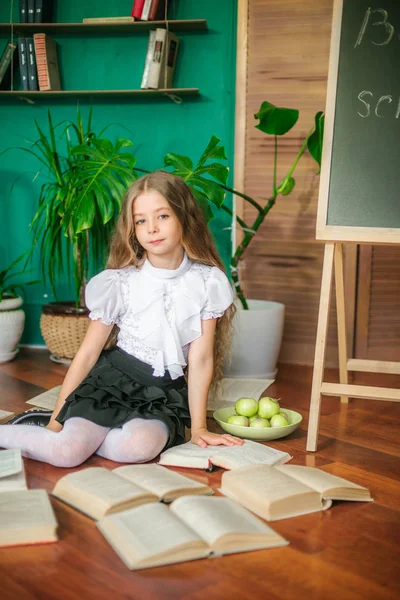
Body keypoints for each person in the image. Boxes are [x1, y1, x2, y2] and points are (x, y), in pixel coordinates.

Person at [0, 171, 243, 467]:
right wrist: (56, 418)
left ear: (184, 217)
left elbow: (201, 359)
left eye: (162, 216)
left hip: (163, 393)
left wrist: (200, 427)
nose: (152, 228)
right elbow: (88, 353)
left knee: (138, 449)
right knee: (66, 454)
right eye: (141, 220)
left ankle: (87, 436)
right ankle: (47, 434)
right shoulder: (121, 283)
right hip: (112, 381)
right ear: (133, 229)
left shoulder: (208, 282)